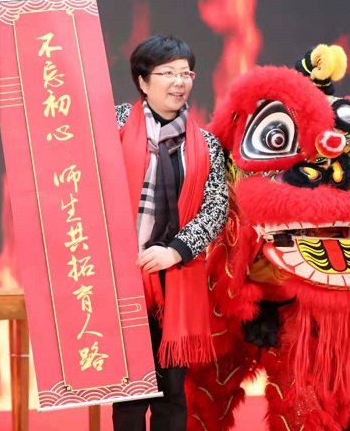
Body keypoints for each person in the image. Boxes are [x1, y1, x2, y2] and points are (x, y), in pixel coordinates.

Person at [112, 34, 228, 431]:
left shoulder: (206, 144)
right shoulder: (113, 125)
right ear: (143, 81)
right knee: (129, 396)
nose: (180, 82)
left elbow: (216, 209)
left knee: (172, 394)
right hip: (122, 277)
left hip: (175, 276)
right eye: (168, 73)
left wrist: (175, 251)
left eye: (186, 73)